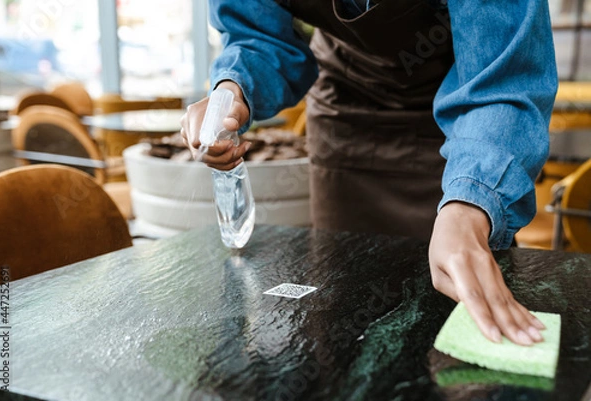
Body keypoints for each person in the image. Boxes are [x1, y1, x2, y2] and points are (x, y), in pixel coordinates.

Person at [180, 0, 558, 346]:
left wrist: (472, 204)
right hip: (346, 110)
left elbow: (503, 78)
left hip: (467, 118)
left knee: (458, 319)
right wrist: (233, 87)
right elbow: (256, 36)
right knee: (345, 318)